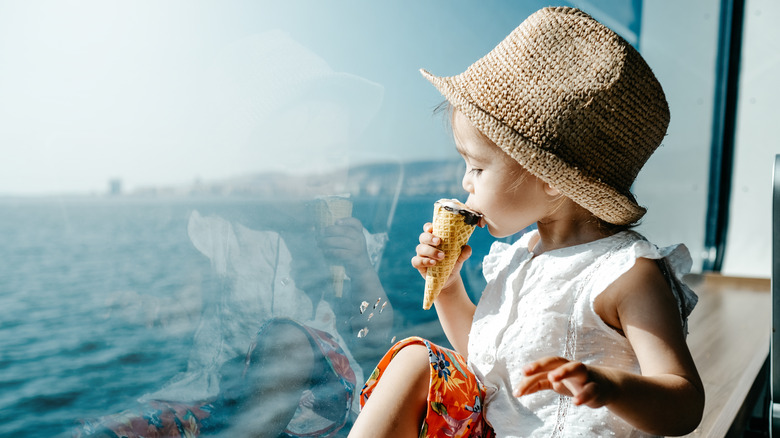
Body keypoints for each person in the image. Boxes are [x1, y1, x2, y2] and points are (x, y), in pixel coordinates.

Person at [349, 6, 703, 438]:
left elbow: (684, 402)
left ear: (551, 179)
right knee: (416, 360)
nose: (465, 181)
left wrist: (609, 386)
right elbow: (488, 371)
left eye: (478, 168)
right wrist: (447, 288)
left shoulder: (626, 275)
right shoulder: (518, 258)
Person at [74, 205, 393, 438]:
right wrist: (141, 308)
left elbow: (374, 336)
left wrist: (361, 267)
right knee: (110, 432)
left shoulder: (345, 237)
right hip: (225, 393)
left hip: (320, 396)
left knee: (286, 340)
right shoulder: (220, 232)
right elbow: (184, 312)